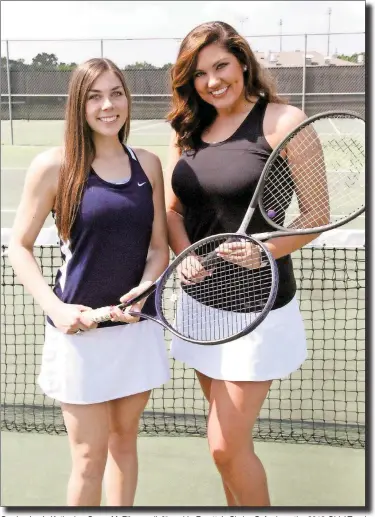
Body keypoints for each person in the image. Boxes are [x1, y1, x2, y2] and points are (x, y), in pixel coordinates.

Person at [164, 21, 316, 507]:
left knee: (225, 447)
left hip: (259, 310)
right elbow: (173, 209)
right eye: (200, 73)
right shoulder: (186, 129)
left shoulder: (284, 121)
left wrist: (265, 249)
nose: (213, 81)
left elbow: (318, 215)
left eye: (221, 66)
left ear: (243, 62)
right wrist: (182, 253)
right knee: (225, 447)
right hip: (200, 306)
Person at [8, 58, 170, 507]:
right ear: (78, 105)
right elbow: (18, 247)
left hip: (136, 330)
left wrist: (147, 285)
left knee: (124, 445)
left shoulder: (149, 165)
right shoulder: (54, 166)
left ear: (127, 98)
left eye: (116, 92)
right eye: (95, 96)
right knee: (87, 457)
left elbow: (158, 247)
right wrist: (57, 311)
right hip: (79, 334)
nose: (107, 105)